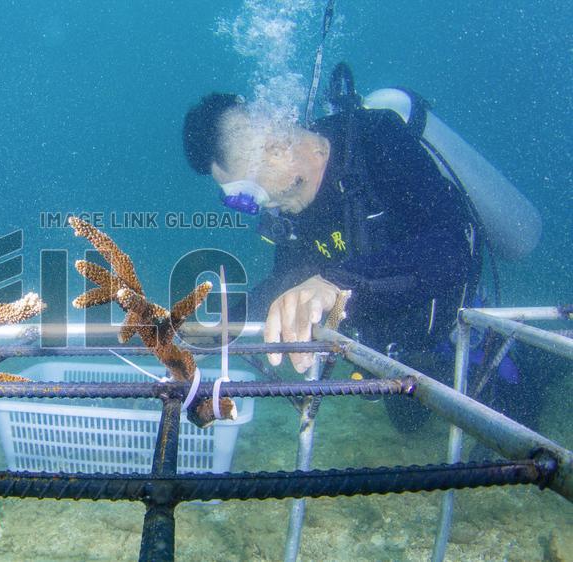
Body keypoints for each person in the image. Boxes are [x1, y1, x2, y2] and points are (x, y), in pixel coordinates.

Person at [182, 92, 484, 431]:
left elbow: (451, 247)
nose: (252, 207)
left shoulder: (376, 142)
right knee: (409, 424)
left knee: (506, 413)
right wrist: (214, 332)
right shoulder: (290, 212)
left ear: (277, 149)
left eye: (245, 194)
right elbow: (286, 284)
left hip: (458, 335)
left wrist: (337, 283)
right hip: (394, 354)